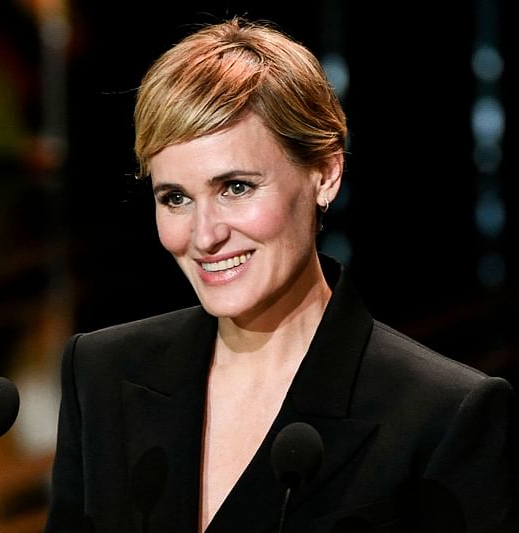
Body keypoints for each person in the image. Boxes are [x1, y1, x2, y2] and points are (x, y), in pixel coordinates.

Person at [44, 17, 517, 533]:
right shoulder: (101, 374)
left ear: (325, 172)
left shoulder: (442, 416)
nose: (204, 236)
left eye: (236, 187)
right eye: (175, 198)